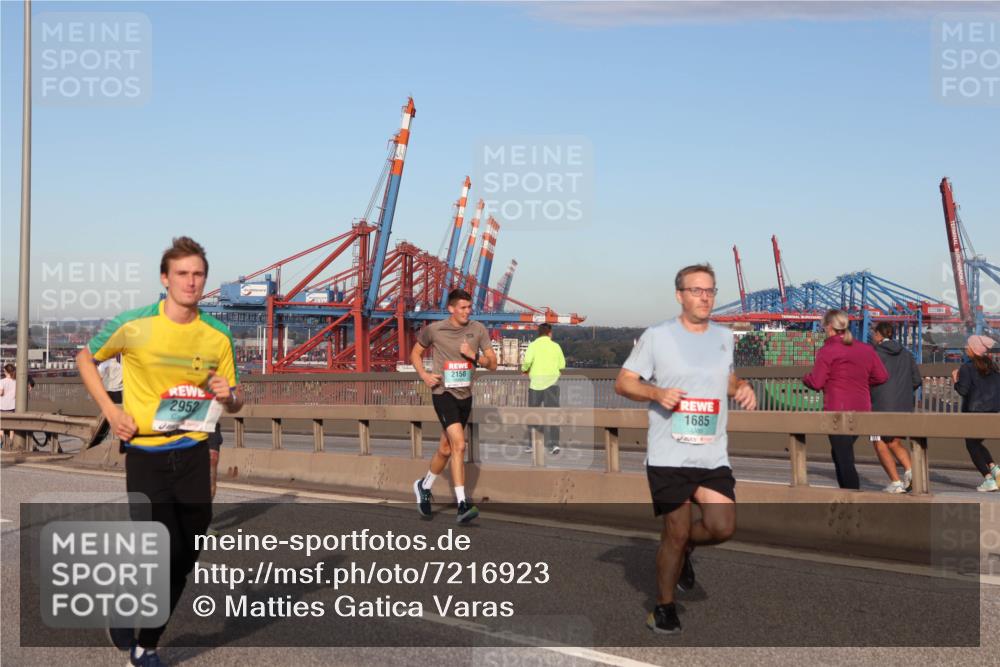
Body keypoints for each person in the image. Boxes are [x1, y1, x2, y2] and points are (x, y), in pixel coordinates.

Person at [76, 237, 243, 667]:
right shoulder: (134, 324)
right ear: (165, 279)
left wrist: (231, 395)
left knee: (185, 556)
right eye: (183, 274)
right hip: (147, 455)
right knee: (160, 551)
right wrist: (111, 411)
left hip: (193, 452)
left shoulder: (218, 334)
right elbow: (84, 358)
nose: (191, 281)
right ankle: (145, 646)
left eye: (198, 274)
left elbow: (236, 397)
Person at [614, 263, 757, 635]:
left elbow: (723, 378)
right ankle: (662, 608)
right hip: (669, 454)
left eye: (710, 290)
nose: (704, 297)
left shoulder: (725, 336)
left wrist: (741, 386)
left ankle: (682, 554)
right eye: (696, 290)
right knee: (675, 532)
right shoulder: (658, 336)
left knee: (722, 526)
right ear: (680, 295)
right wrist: (657, 392)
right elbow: (624, 382)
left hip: (712, 454)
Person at [411, 288, 497, 524]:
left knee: (446, 449)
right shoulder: (435, 330)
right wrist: (425, 376)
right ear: (451, 309)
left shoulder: (477, 329)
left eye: (469, 307)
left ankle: (423, 485)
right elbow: (415, 353)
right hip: (443, 393)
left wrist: (473, 356)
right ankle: (462, 504)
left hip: (465, 396)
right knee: (460, 445)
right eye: (462, 307)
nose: (467, 312)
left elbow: (493, 365)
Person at [802, 309, 888, 490]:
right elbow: (881, 377)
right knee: (840, 453)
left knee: (844, 457)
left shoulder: (828, 350)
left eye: (824, 326)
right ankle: (847, 495)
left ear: (829, 327)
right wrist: (862, 382)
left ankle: (852, 498)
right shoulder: (866, 349)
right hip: (862, 409)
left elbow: (817, 382)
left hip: (837, 411)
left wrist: (805, 379)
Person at [869, 322, 922, 493]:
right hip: (903, 404)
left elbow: (868, 378)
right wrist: (902, 393)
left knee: (878, 442)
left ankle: (896, 483)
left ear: (878, 334)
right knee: (894, 441)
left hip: (879, 405)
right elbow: (917, 380)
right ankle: (911, 472)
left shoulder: (875, 353)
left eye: (873, 333)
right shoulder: (906, 354)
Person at [952, 335, 1000, 492]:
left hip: (974, 413)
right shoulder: (994, 367)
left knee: (971, 444)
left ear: (973, 349)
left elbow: (963, 390)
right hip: (993, 412)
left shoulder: (967, 367)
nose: (966, 348)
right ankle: (994, 468)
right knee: (976, 442)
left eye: (968, 346)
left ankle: (988, 479)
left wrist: (955, 380)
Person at [521, 323, 566, 455]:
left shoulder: (533, 345)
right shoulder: (556, 346)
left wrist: (524, 370)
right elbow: (562, 365)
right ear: (549, 333)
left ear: (539, 333)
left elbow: (527, 361)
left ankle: (531, 444)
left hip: (535, 384)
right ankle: (554, 445)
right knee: (553, 415)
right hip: (552, 384)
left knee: (533, 415)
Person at [1, 364, 16, 447]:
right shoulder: (16, 382)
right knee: (11, 425)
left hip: (2, 405)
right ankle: (11, 440)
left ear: (6, 372)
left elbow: (1, 393)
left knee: (1, 424)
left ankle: (2, 438)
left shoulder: (2, 381)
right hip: (12, 405)